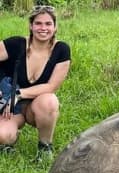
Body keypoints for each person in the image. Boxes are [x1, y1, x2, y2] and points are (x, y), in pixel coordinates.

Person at [0, 5, 71, 161]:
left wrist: (18, 94)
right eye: (38, 23)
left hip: (37, 105)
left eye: (48, 24)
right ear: (31, 26)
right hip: (10, 108)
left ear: (55, 27)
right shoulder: (15, 44)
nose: (43, 28)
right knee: (3, 136)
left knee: (50, 101)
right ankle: (10, 139)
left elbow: (51, 86)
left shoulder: (61, 50)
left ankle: (45, 147)